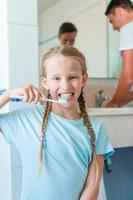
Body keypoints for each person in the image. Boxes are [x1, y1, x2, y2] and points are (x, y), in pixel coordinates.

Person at [0, 46, 114, 200]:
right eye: (56, 78)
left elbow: (92, 185)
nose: (65, 85)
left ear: (84, 80)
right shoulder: (25, 120)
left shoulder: (96, 128)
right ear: (45, 82)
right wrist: (8, 95)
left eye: (72, 77)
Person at [105, 0, 133, 107]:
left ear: (120, 12)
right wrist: (122, 100)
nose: (113, 27)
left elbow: (128, 78)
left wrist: (114, 102)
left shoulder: (128, 28)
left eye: (112, 21)